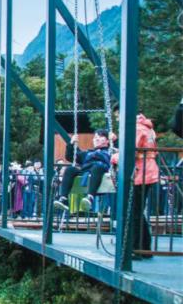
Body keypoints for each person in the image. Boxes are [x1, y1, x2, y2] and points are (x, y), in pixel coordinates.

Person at [112, 105, 159, 258]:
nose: (117, 119)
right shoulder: (148, 127)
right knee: (138, 211)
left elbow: (130, 151)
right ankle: (144, 247)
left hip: (141, 172)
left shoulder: (137, 128)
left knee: (133, 212)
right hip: (148, 171)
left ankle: (136, 248)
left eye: (118, 115)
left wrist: (114, 157)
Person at [53, 129, 112, 212]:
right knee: (70, 169)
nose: (96, 139)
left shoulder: (111, 151)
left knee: (97, 167)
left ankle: (90, 197)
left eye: (100, 136)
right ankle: (64, 198)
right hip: (87, 172)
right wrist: (71, 143)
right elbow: (70, 157)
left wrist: (115, 140)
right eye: (95, 137)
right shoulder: (87, 153)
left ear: (107, 140)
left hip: (101, 173)